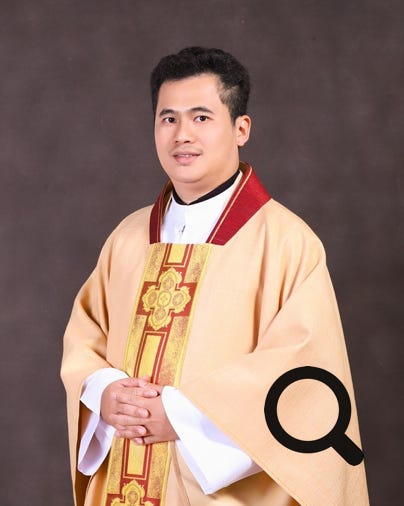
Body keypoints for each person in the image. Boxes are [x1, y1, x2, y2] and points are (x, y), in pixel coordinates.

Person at [61, 47, 369, 506]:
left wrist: (183, 417)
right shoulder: (127, 238)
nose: (182, 135)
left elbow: (305, 377)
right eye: (168, 119)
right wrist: (104, 394)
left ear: (241, 129)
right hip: (121, 481)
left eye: (201, 117)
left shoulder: (287, 243)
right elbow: (85, 338)